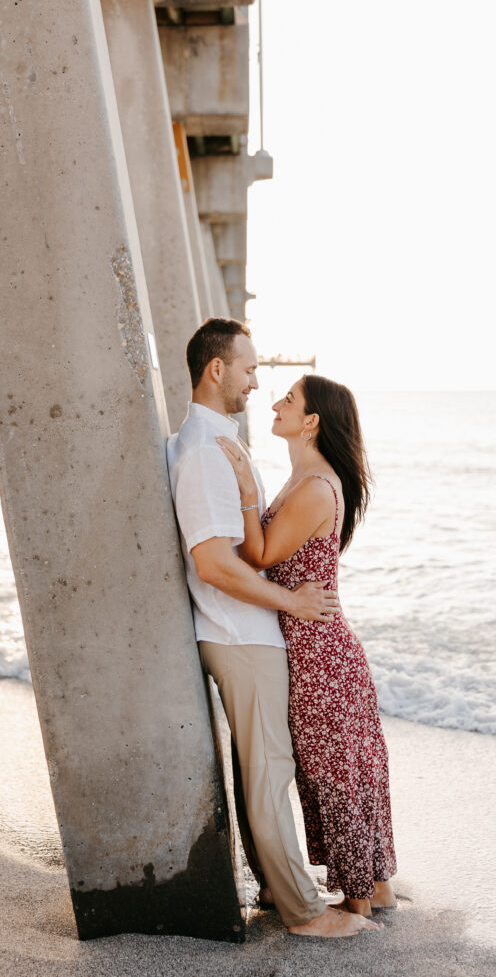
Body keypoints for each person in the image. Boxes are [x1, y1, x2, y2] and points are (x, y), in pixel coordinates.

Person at [166, 318, 380, 938]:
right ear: (218, 370)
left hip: (249, 632)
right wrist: (290, 601)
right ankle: (305, 913)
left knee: (262, 771)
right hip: (242, 634)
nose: (259, 382)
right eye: (251, 369)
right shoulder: (206, 450)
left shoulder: (213, 445)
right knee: (270, 774)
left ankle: (280, 888)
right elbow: (214, 563)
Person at [217, 373, 397, 917]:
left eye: (288, 400)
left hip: (319, 651)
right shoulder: (305, 481)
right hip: (317, 645)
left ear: (312, 421)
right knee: (346, 768)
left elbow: (262, 555)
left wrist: (246, 493)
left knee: (331, 772)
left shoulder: (316, 487)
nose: (274, 403)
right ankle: (375, 889)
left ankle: (357, 904)